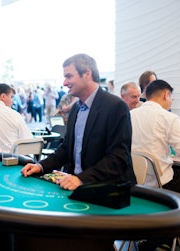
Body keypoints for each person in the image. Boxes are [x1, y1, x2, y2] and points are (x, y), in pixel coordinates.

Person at [21, 53, 135, 191]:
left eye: (69, 76)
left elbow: (118, 159)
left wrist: (81, 179)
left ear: (87, 74)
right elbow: (67, 148)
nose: (64, 83)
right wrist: (41, 166)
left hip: (108, 191)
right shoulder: (75, 108)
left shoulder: (116, 107)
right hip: (77, 187)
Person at [131, 80, 180, 197]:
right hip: (161, 183)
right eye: (172, 98)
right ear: (166, 95)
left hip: (134, 180)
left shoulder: (130, 115)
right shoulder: (170, 118)